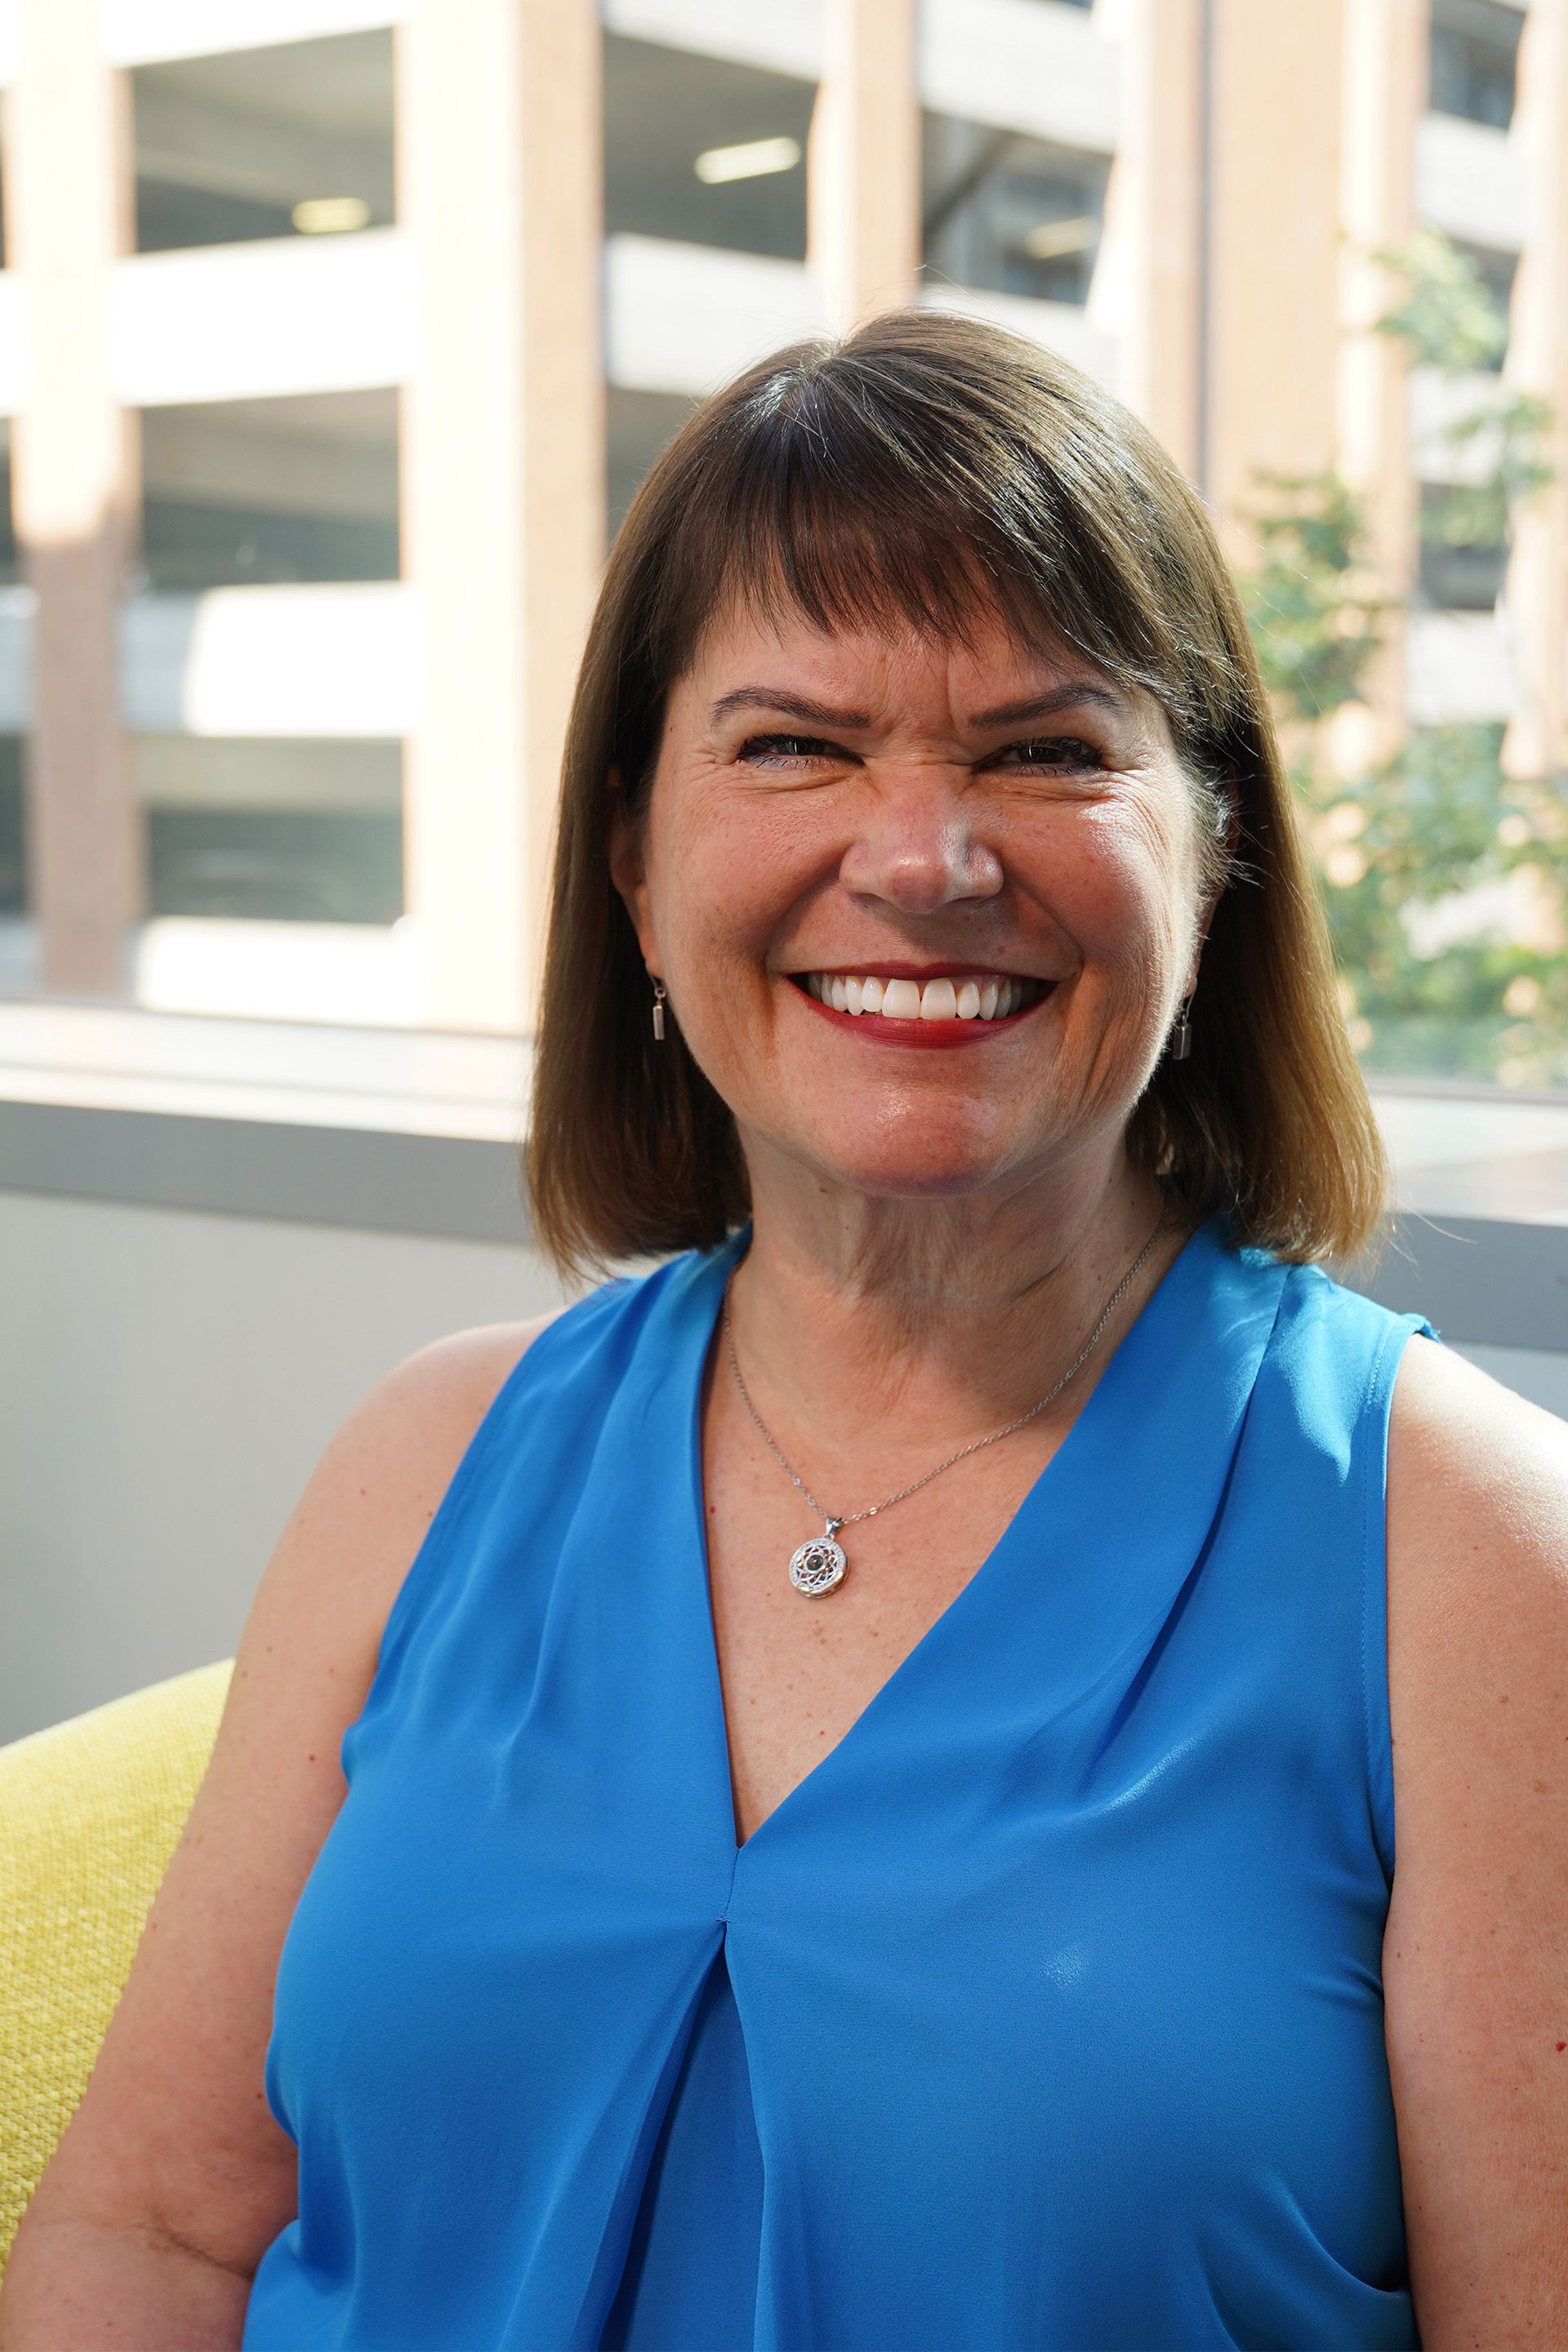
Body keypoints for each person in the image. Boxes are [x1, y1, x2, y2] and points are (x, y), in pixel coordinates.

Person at [2, 310, 1565, 2352]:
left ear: (1214, 854)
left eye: (1046, 749)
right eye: (794, 746)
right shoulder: (432, 1456)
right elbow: (154, 2239)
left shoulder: (1460, 1550)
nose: (923, 857)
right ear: (636, 861)